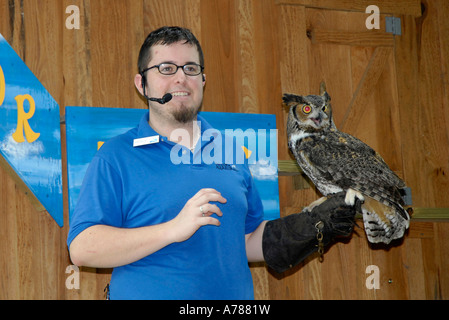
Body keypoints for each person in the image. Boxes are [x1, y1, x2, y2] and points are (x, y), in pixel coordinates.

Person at [67, 26, 359, 300]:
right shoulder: (115, 155)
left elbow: (243, 240)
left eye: (191, 69)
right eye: (166, 69)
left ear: (203, 81)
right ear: (142, 83)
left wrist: (308, 228)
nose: (181, 78)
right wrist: (173, 229)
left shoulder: (230, 151)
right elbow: (82, 248)